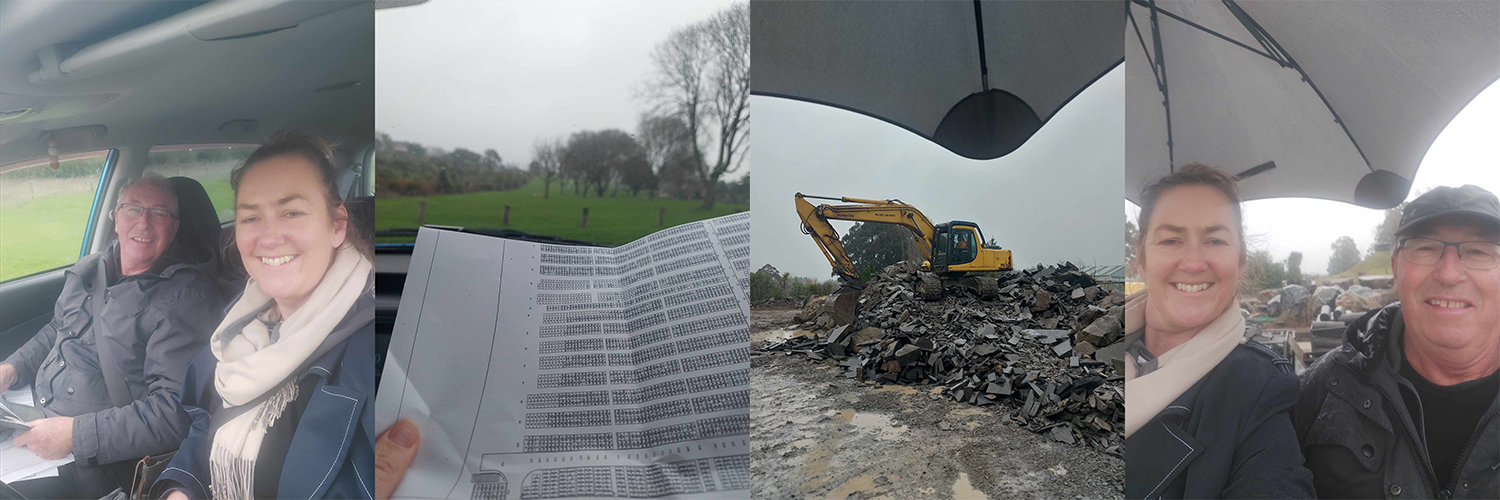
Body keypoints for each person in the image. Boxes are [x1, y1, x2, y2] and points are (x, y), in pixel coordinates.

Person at [151, 131, 376, 499]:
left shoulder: (380, 349)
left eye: (292, 212)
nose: (269, 238)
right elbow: (207, 422)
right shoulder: (237, 324)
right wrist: (180, 487)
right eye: (251, 218)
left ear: (337, 225)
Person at [0, 174, 226, 499]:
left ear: (174, 227)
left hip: (90, 462)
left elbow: (172, 414)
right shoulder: (91, 269)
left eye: (160, 213)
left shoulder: (188, 300)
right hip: (29, 418)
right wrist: (14, 367)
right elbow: (58, 328)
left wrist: (75, 436)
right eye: (134, 209)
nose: (144, 223)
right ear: (116, 217)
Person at [1294, 185, 1500, 499]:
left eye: (1479, 251)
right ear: (1395, 269)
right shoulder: (1324, 388)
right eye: (1425, 248)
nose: (1448, 273)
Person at [1123, 164, 1315, 498]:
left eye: (1215, 240)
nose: (1194, 263)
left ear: (1240, 261)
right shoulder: (1083, 343)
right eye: (1171, 240)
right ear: (1141, 257)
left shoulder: (1257, 390)